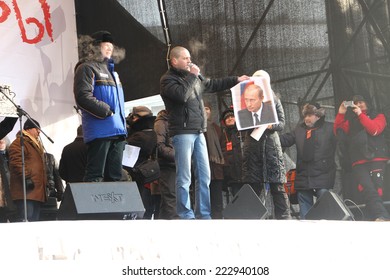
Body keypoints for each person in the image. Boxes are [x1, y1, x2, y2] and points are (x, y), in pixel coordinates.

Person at [160, 45, 249, 219]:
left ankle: (204, 213)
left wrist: (236, 79)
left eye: (189, 58)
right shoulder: (168, 80)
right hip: (182, 132)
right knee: (185, 176)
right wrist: (192, 75)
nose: (189, 61)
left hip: (199, 131)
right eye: (185, 58)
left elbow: (213, 84)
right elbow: (181, 96)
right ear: (174, 60)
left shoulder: (194, 78)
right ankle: (185, 214)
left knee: (204, 175)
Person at [73, 30, 127, 182]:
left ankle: (116, 206)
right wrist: (106, 111)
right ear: (95, 47)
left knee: (116, 176)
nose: (110, 48)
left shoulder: (114, 73)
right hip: (100, 130)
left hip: (118, 131)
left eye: (111, 45)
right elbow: (82, 96)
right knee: (95, 175)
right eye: (105, 45)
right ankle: (93, 206)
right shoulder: (86, 68)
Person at [241, 71, 291, 219]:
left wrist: (271, 125)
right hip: (253, 146)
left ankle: (284, 217)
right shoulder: (247, 100)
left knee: (277, 184)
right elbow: (241, 124)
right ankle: (252, 217)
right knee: (253, 185)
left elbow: (281, 123)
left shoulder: (274, 100)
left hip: (270, 147)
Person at [334, 95, 390, 221]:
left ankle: (380, 216)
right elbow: (338, 132)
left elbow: (374, 130)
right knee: (366, 188)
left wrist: (360, 114)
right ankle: (381, 216)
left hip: (377, 158)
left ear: (367, 103)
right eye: (355, 103)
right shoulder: (352, 120)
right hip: (358, 160)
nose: (358, 105)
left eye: (361, 102)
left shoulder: (379, 116)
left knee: (378, 189)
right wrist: (341, 114)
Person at [280, 103, 337, 219]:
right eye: (305, 115)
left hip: (323, 173)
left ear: (318, 116)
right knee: (305, 212)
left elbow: (345, 139)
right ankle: (306, 233)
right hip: (304, 175)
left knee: (324, 206)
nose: (306, 118)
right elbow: (284, 140)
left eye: (310, 115)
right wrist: (269, 131)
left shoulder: (330, 128)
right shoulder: (299, 130)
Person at [9, 118, 46, 221]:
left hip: (36, 192)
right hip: (25, 191)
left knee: (34, 222)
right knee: (25, 220)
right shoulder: (19, 143)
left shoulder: (35, 144)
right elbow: (17, 162)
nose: (39, 131)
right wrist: (27, 178)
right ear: (28, 129)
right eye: (36, 128)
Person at [125, 106, 159, 219]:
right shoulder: (152, 133)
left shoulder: (138, 136)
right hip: (147, 174)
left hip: (136, 174)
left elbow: (126, 157)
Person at [154, 109, 178, 219]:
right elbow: (160, 145)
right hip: (167, 164)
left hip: (174, 163)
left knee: (169, 198)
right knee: (170, 195)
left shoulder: (175, 121)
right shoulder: (161, 122)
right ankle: (175, 221)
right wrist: (176, 156)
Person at [204, 102, 224, 219]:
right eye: (203, 108)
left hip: (216, 171)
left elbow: (222, 148)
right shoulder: (196, 128)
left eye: (207, 108)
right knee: (204, 199)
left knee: (217, 201)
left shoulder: (216, 128)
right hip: (202, 170)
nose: (205, 111)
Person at [221, 107, 245, 198]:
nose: (230, 118)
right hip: (232, 177)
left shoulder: (243, 132)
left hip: (246, 175)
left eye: (232, 116)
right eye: (227, 118)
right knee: (238, 201)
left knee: (251, 200)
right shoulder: (223, 136)